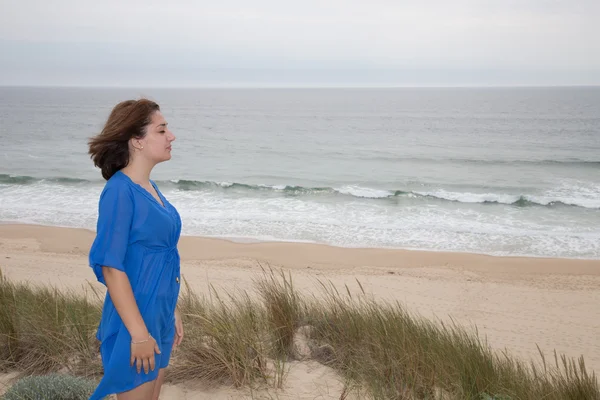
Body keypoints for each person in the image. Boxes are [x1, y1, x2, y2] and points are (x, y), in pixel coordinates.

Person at [87, 98, 183, 400]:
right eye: (161, 129)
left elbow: (158, 260)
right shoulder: (119, 191)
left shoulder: (150, 189)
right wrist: (139, 334)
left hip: (159, 317)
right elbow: (111, 266)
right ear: (136, 141)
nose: (172, 136)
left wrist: (172, 311)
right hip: (135, 323)